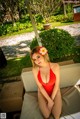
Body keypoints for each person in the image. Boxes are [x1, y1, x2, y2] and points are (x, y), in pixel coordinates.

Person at [30, 46, 62, 119]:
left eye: (38, 57)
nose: (37, 61)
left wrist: (52, 99)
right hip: (42, 92)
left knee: (56, 116)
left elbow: (57, 85)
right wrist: (49, 100)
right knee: (46, 115)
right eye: (34, 59)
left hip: (55, 91)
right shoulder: (35, 69)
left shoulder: (55, 66)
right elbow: (40, 87)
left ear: (43, 54)